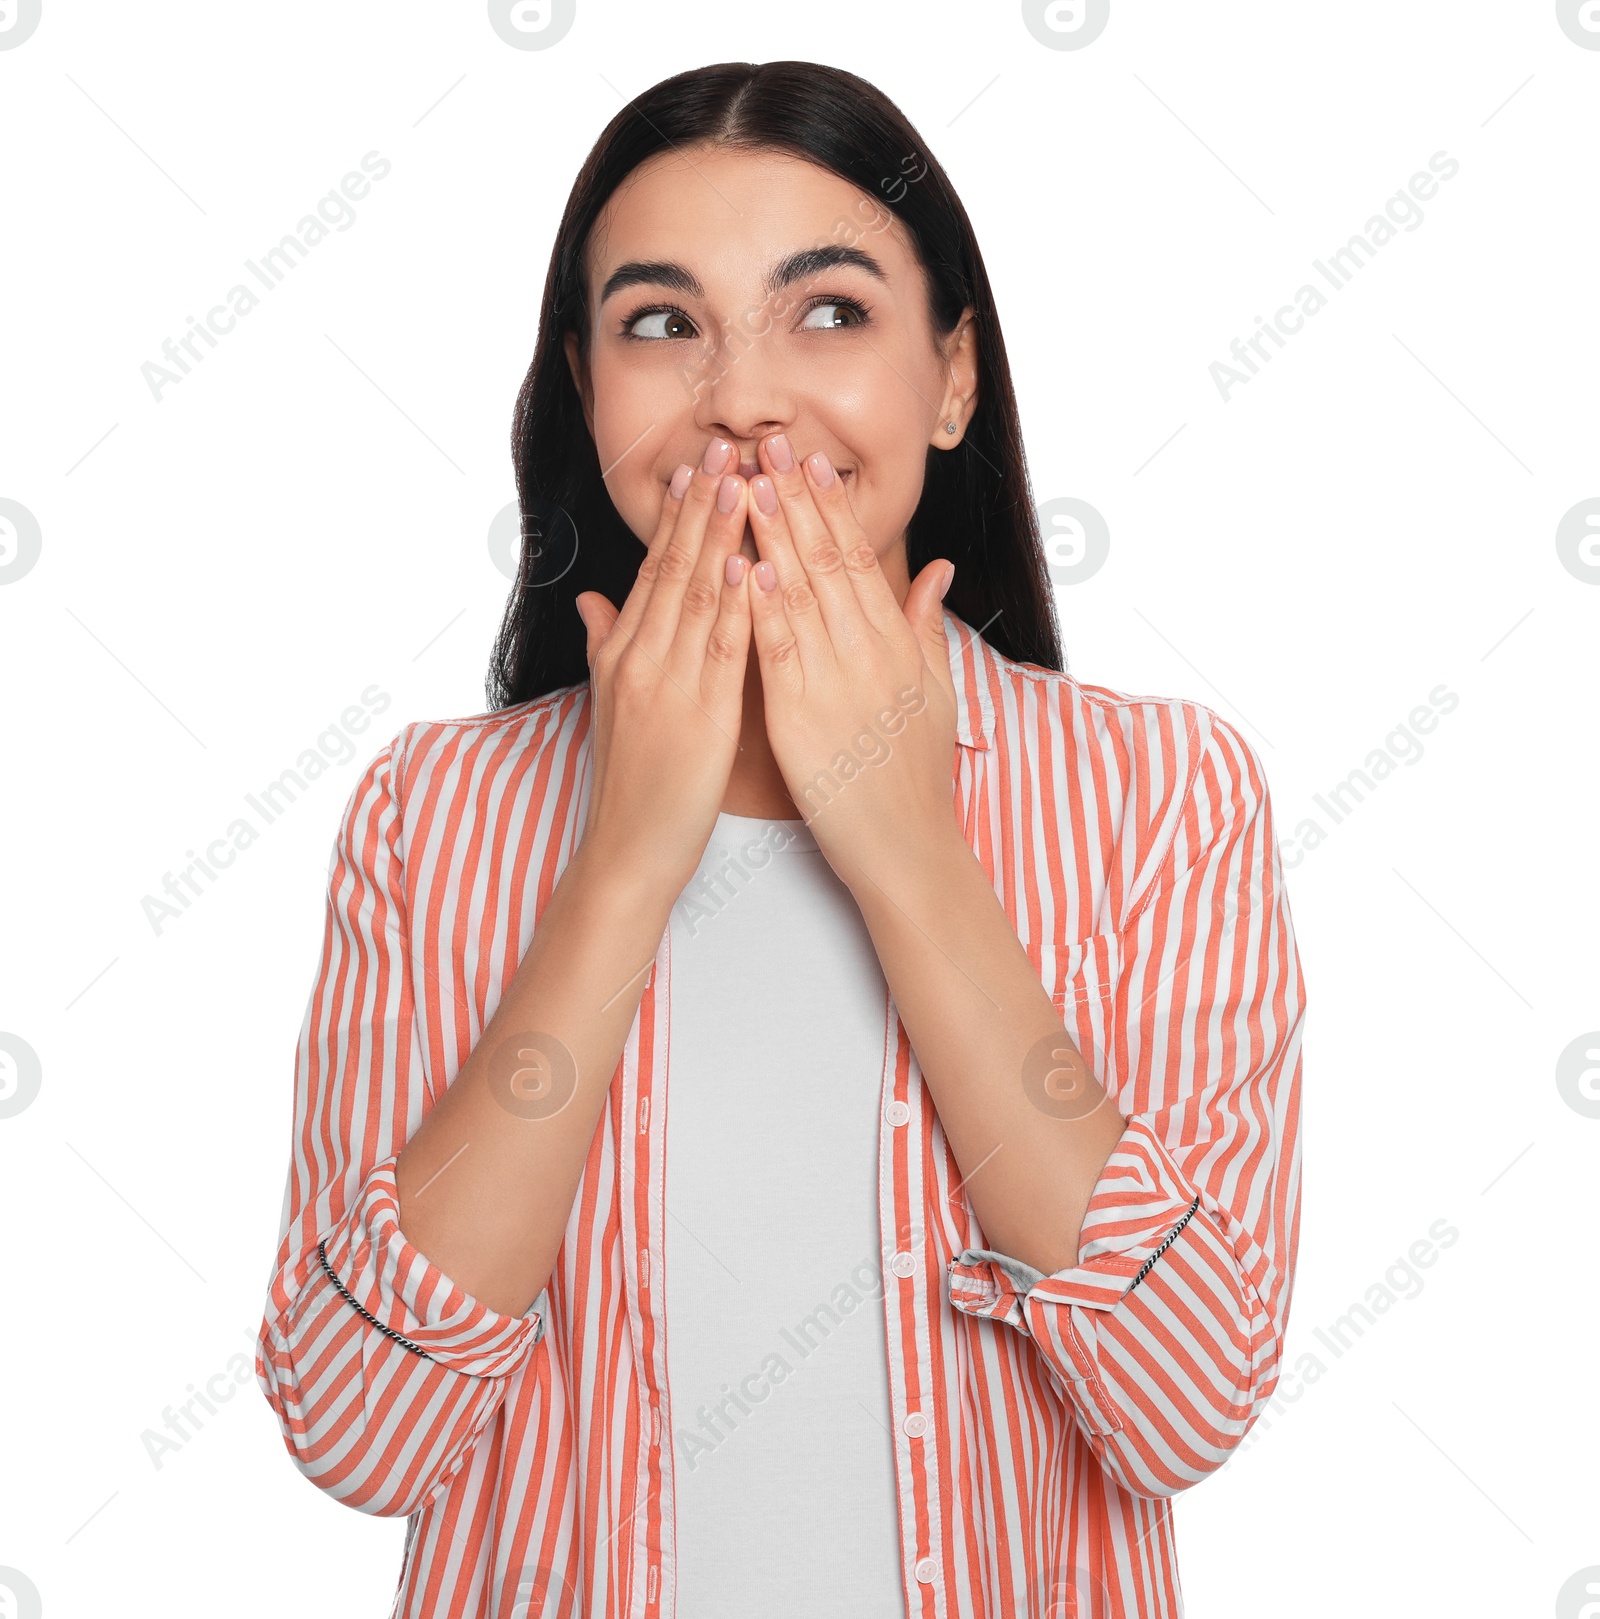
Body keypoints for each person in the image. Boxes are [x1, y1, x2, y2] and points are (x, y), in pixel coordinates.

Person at [255, 59, 1305, 1619]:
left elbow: (1185, 1400)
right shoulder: (435, 817)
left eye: (828, 312)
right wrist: (621, 866)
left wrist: (905, 847)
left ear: (952, 378)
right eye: (662, 324)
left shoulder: (1167, 797)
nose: (742, 399)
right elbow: (357, 1431)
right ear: (582, 390)